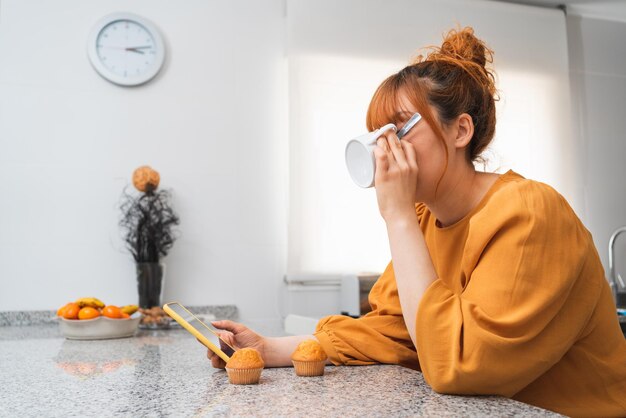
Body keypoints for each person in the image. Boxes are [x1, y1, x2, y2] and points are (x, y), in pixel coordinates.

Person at [206, 27, 626, 417]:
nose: (384, 148)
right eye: (377, 134)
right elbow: (396, 330)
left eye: (398, 128)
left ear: (461, 131)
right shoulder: (426, 218)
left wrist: (398, 216)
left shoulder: (531, 212)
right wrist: (268, 348)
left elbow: (459, 366)